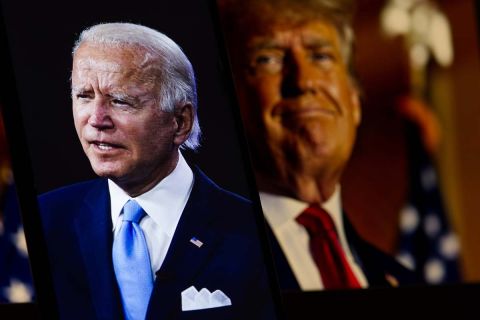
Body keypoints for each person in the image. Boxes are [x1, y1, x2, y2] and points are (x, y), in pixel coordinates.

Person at [38, 23, 274, 319]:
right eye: (84, 96)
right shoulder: (44, 220)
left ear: (180, 122)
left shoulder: (253, 231)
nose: (96, 119)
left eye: (121, 101)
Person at [218, 0, 417, 291]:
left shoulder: (403, 280)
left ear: (354, 102)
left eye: (321, 57)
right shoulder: (207, 266)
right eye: (267, 60)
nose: (304, 80)